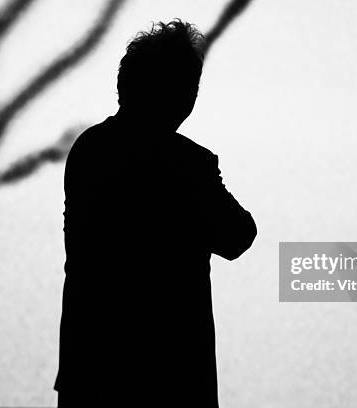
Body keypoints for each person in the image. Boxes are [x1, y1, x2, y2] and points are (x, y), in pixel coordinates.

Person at [54, 20, 257, 407]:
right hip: (171, 379)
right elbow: (238, 236)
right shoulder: (187, 163)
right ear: (182, 93)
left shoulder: (88, 150)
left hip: (91, 371)